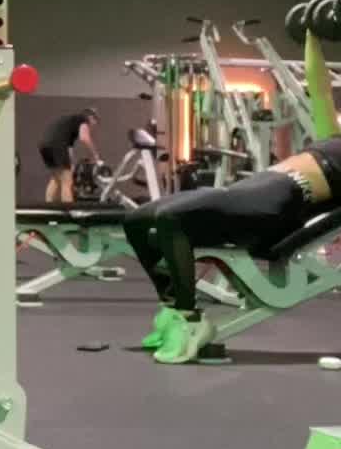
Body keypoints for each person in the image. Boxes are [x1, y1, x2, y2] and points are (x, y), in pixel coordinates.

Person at [123, 138, 341, 364]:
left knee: (170, 217)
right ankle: (171, 307)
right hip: (246, 190)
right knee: (135, 220)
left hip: (266, 210)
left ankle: (189, 319)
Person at [39, 107, 101, 205]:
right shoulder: (83, 120)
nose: (94, 125)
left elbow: (69, 149)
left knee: (56, 179)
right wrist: (96, 156)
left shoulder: (71, 123)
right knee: (67, 181)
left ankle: (49, 207)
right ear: (90, 117)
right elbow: (84, 138)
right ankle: (69, 210)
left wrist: (72, 164)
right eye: (95, 121)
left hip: (44, 146)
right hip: (57, 145)